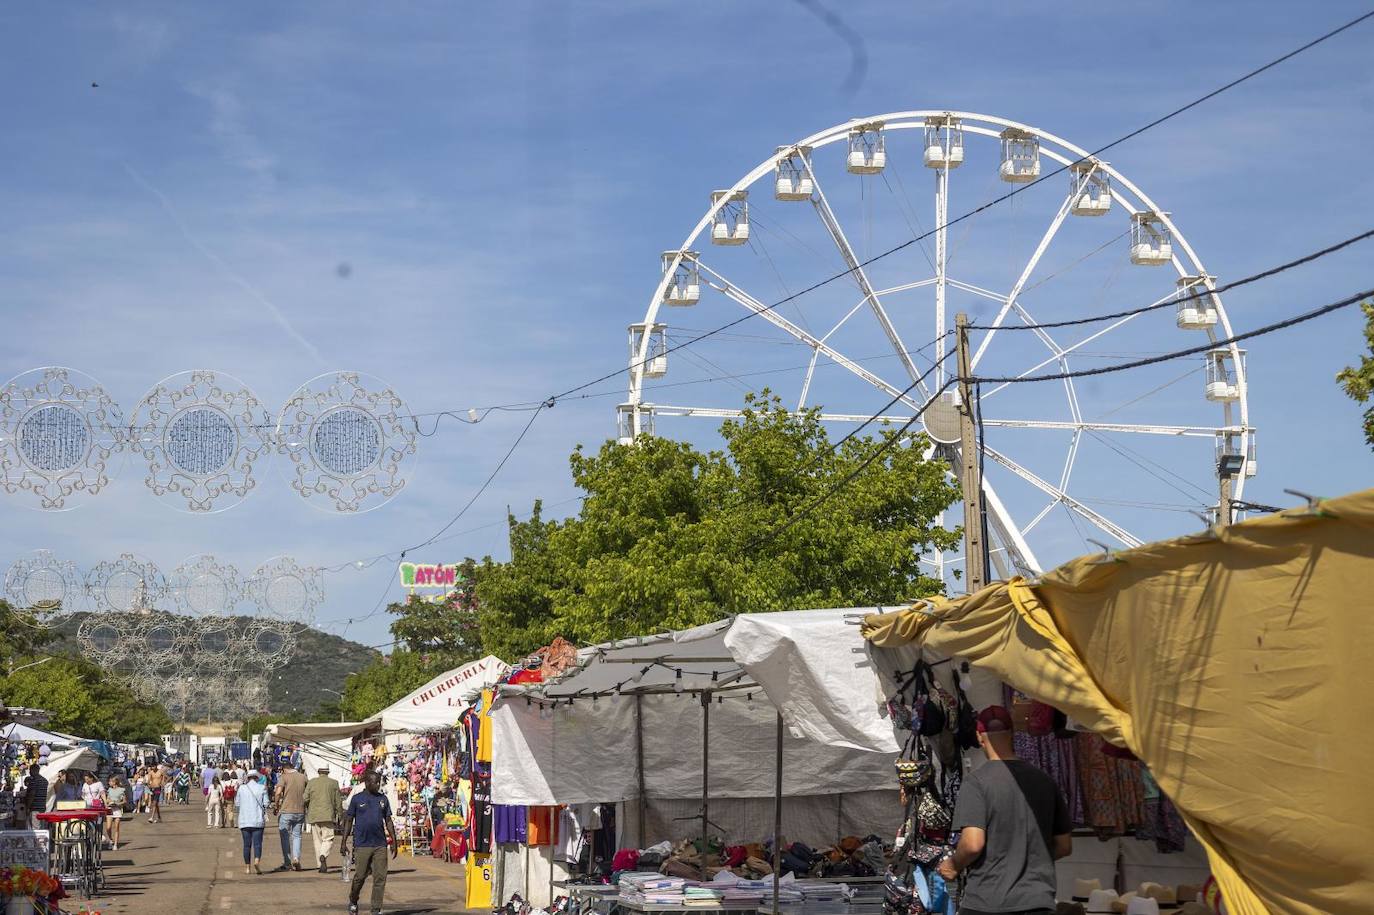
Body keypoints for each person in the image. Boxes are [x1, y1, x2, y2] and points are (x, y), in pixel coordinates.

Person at [937, 706, 1073, 915]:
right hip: (1038, 901)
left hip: (988, 902)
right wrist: (1028, 861)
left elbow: (973, 844)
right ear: (1012, 734)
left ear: (979, 737)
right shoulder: (1045, 781)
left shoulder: (976, 783)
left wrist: (953, 865)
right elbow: (1063, 846)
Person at [341, 770, 397, 915]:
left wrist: (394, 842)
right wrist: (343, 842)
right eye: (375, 782)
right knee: (359, 876)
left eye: (379, 782)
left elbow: (389, 821)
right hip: (362, 844)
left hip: (380, 845)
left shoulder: (383, 799)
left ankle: (376, 909)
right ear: (367, 783)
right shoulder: (357, 799)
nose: (378, 784)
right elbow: (348, 821)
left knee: (380, 878)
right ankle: (353, 900)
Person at [303, 765, 344, 873]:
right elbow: (338, 801)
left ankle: (319, 864)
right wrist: (340, 815)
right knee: (328, 838)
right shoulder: (334, 783)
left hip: (314, 815)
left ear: (319, 771)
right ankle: (323, 855)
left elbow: (305, 798)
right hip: (328, 815)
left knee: (317, 840)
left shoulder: (311, 782)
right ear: (328, 773)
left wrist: (308, 808)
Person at [274, 761, 309, 871]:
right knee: (297, 836)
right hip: (300, 811)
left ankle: (287, 862)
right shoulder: (303, 777)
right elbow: (308, 792)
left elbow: (278, 792)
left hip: (286, 810)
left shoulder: (284, 777)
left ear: (284, 769)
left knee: (285, 836)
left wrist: (276, 805)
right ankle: (296, 858)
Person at [236, 770, 270, 875]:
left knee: (246, 845)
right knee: (257, 844)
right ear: (256, 778)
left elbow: (237, 803)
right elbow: (266, 803)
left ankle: (247, 867)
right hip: (257, 820)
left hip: (244, 820)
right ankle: (256, 861)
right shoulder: (262, 788)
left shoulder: (241, 788)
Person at [23, 765, 47, 829]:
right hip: (42, 806)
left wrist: (28, 807)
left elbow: (32, 794)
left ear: (33, 770)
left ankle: (36, 839)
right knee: (41, 827)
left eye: (30, 770)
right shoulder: (45, 781)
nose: (29, 772)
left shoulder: (33, 781)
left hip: (34, 808)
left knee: (35, 828)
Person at [106, 775, 127, 850]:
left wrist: (118, 803)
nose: (109, 783)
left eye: (110, 781)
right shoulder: (109, 790)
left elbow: (125, 801)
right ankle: (111, 840)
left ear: (114, 782)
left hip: (117, 809)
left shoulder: (121, 790)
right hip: (110, 808)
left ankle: (115, 844)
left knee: (116, 827)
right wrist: (109, 802)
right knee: (108, 827)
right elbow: (107, 799)